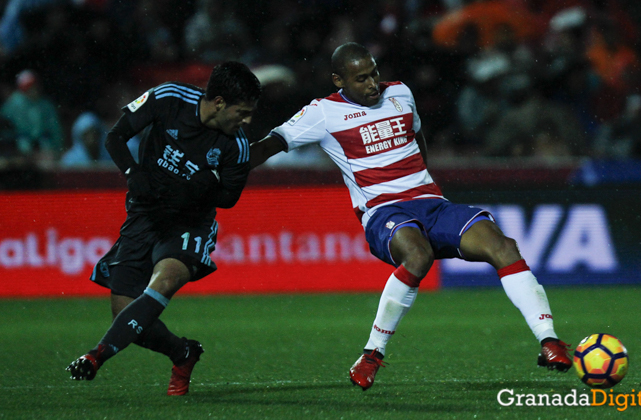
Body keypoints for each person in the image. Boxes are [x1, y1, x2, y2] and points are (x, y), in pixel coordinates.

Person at [249, 42, 572, 391]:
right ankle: (372, 354)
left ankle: (549, 341)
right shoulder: (323, 113)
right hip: (382, 211)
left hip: (431, 203)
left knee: (504, 246)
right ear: (338, 80)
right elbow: (272, 143)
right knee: (419, 255)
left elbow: (417, 135)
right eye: (361, 79)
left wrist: (425, 182)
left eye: (374, 73)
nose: (372, 83)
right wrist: (224, 167)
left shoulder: (401, 92)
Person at [66, 62, 261, 396]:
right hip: (144, 216)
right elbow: (115, 137)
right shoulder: (169, 97)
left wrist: (202, 187)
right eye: (242, 112)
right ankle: (182, 353)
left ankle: (96, 355)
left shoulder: (236, 145)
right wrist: (133, 172)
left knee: (166, 280)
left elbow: (229, 197)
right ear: (217, 103)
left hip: (190, 224)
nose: (247, 121)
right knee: (127, 315)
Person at [0, 69, 63, 164]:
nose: (33, 90)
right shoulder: (12, 104)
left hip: (44, 145)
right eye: (28, 87)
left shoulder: (46, 105)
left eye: (34, 86)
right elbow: (4, 127)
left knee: (48, 153)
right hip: (20, 144)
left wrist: (58, 149)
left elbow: (55, 129)